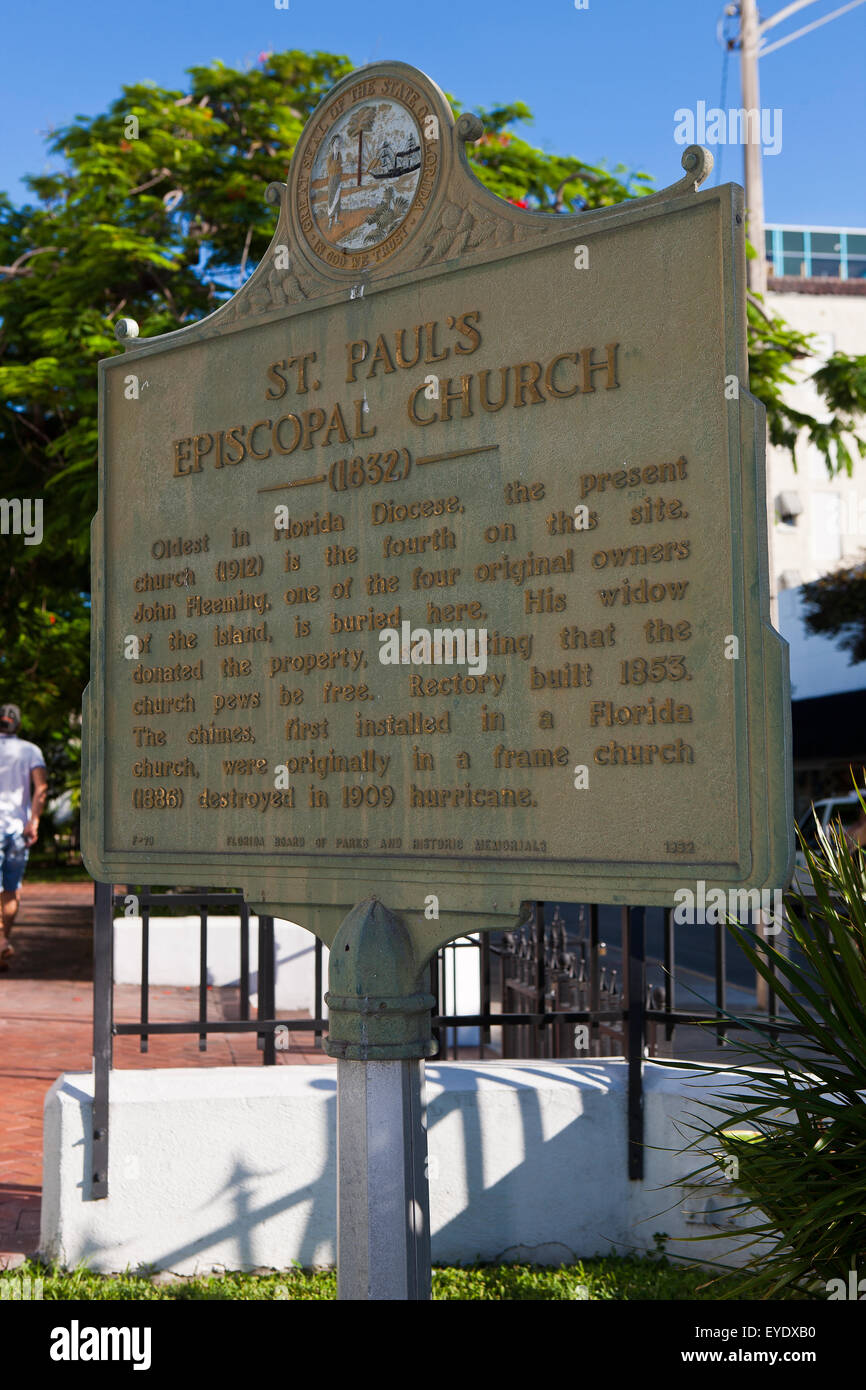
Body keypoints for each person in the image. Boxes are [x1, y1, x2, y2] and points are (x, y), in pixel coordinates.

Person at [0, 704, 47, 970]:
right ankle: (3, 940)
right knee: (10, 889)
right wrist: (34, 821)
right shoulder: (30, 750)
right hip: (18, 829)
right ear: (17, 724)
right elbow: (41, 787)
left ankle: (0, 942)